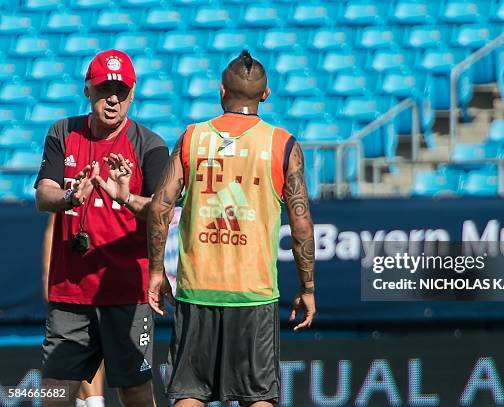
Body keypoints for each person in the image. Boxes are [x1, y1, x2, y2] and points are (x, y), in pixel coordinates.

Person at [147, 50, 316, 407]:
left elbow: (160, 207)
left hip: (197, 291)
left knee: (189, 394)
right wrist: (307, 287)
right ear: (265, 95)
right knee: (258, 398)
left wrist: (156, 272)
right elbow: (300, 222)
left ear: (220, 90)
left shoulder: (193, 138)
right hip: (254, 294)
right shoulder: (282, 145)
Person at [35, 49, 169, 406]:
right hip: (71, 292)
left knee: (135, 391)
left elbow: (162, 210)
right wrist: (69, 197)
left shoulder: (150, 144)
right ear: (88, 89)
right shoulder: (63, 132)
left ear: (133, 94)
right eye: (104, 88)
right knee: (54, 392)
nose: (113, 98)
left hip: (127, 291)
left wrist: (125, 197)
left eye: (121, 91)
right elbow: (43, 193)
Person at [42, 213, 106, 407]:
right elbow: (53, 226)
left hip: (109, 280)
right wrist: (47, 275)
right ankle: (93, 402)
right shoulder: (72, 186)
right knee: (77, 351)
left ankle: (93, 401)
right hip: (72, 282)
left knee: (98, 344)